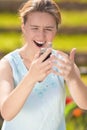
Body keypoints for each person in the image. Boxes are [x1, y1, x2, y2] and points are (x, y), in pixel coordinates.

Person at [0, 0, 87, 130]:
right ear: (23, 27)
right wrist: (31, 77)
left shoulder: (63, 63)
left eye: (48, 29)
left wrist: (72, 77)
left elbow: (84, 104)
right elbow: (7, 113)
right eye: (34, 28)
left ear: (56, 30)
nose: (41, 35)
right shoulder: (8, 64)